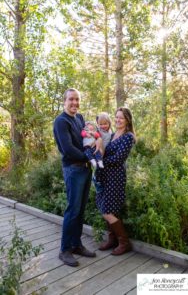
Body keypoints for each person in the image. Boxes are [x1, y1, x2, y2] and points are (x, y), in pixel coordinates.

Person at [53, 88, 102, 267]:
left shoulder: (79, 118)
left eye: (77, 100)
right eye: (71, 99)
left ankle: (76, 245)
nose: (74, 103)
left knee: (80, 209)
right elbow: (68, 149)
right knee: (72, 210)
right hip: (73, 170)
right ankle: (64, 250)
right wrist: (89, 156)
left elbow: (87, 138)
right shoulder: (61, 121)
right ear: (64, 101)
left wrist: (97, 140)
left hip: (85, 169)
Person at [96, 107, 136, 255]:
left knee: (107, 210)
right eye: (117, 117)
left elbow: (119, 159)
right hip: (105, 176)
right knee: (106, 207)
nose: (118, 120)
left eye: (121, 118)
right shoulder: (112, 135)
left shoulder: (128, 136)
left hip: (116, 177)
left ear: (127, 120)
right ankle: (113, 239)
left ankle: (124, 242)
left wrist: (101, 160)